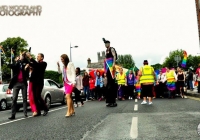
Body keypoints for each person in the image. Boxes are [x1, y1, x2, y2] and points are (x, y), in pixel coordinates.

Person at [8, 52, 29, 120]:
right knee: (14, 99)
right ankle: (13, 115)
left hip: (23, 83)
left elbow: (27, 63)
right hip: (16, 83)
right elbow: (12, 66)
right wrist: (18, 61)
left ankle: (25, 113)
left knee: (25, 99)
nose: (21, 57)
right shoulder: (16, 64)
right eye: (20, 56)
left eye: (21, 56)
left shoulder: (24, 63)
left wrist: (24, 56)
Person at [104, 40, 117, 107]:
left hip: (111, 67)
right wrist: (105, 71)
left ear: (109, 44)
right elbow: (106, 60)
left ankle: (113, 101)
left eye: (106, 43)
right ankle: (109, 101)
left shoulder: (112, 49)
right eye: (105, 44)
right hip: (108, 68)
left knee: (112, 85)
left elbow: (114, 56)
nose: (105, 45)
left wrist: (114, 64)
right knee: (108, 86)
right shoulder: (106, 51)